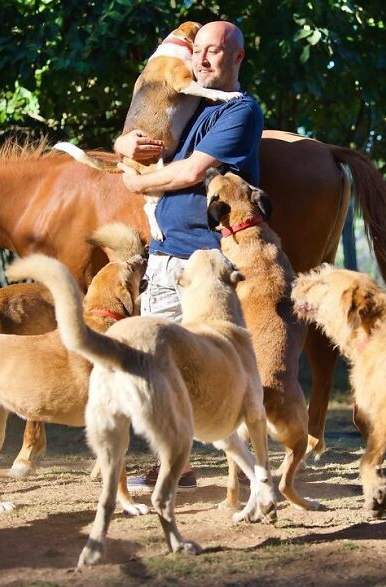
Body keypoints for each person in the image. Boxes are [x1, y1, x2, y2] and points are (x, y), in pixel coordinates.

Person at [113, 20, 263, 492]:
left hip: (207, 263)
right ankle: (175, 465)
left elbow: (192, 172)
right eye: (198, 51)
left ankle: (245, 477)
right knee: (160, 368)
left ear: (236, 58)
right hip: (163, 258)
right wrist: (124, 145)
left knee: (221, 369)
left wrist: (136, 182)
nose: (202, 60)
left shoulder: (240, 111)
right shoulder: (187, 102)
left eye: (215, 52)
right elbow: (138, 137)